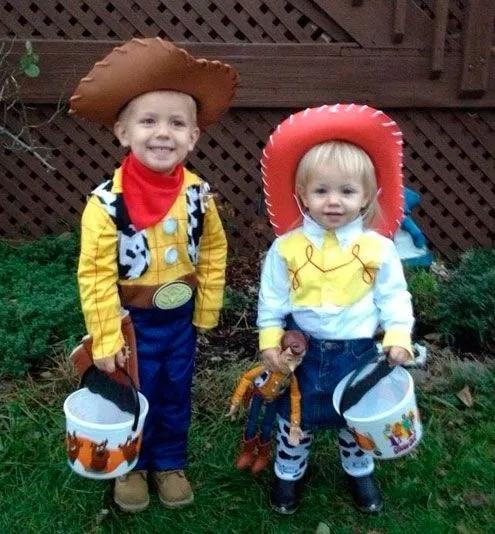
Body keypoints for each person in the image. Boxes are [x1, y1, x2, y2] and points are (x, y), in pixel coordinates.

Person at [70, 37, 239, 513]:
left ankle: (169, 462)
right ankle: (134, 466)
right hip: (131, 323)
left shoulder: (199, 196)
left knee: (174, 391)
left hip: (179, 319)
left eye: (177, 123)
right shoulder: (105, 205)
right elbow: (96, 275)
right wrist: (105, 339)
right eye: (148, 121)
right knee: (134, 394)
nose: (163, 133)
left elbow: (212, 253)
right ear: (123, 131)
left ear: (193, 137)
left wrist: (205, 311)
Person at [257, 104, 415, 515]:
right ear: (301, 195)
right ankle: (288, 476)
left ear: (368, 196)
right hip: (301, 354)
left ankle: (359, 470)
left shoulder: (378, 249)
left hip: (357, 353)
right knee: (294, 422)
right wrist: (269, 339)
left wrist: (398, 337)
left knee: (356, 420)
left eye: (347, 191)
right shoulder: (286, 248)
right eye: (321, 191)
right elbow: (272, 299)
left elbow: (394, 298)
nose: (333, 202)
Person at [227, 330, 307, 474]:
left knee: (267, 427)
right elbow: (246, 378)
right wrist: (236, 400)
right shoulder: (266, 369)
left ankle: (263, 455)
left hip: (273, 401)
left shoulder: (290, 378)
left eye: (298, 361)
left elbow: (295, 397)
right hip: (258, 396)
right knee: (252, 422)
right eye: (289, 359)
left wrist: (295, 424)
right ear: (279, 351)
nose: (292, 367)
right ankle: (247, 451)